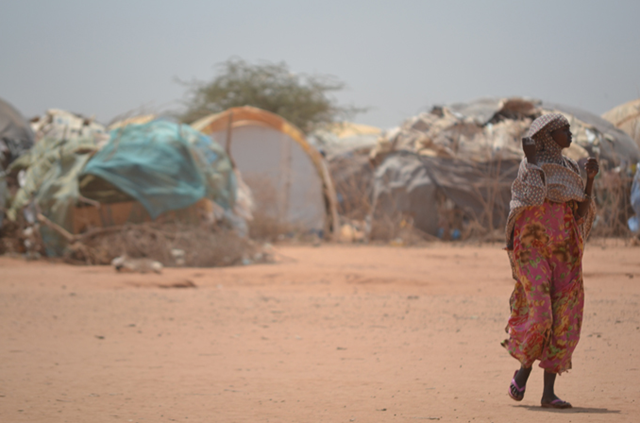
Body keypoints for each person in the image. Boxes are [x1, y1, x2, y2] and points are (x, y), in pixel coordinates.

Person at [502, 113, 599, 409]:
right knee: (542, 316)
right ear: (547, 135)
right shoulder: (530, 164)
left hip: (564, 253)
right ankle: (524, 369)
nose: (570, 134)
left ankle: (548, 393)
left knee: (564, 317)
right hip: (533, 250)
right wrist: (531, 162)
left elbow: (581, 213)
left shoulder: (570, 167)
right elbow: (530, 196)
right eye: (563, 129)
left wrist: (590, 180)